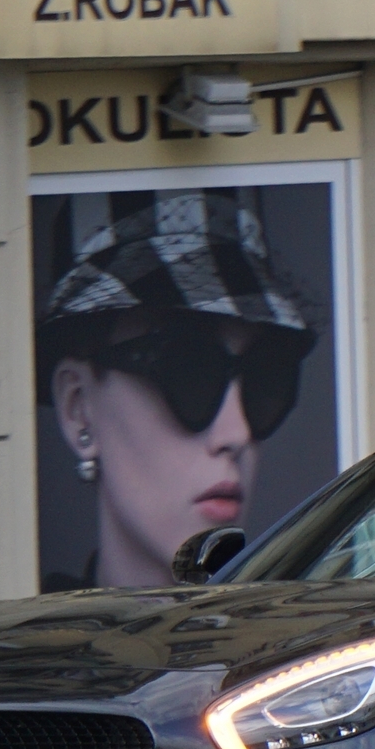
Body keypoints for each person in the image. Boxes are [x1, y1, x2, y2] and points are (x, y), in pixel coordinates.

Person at [38, 191, 316, 591]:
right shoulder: (26, 651)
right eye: (188, 370)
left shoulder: (316, 647)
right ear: (78, 407)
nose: (236, 433)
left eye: (266, 375)